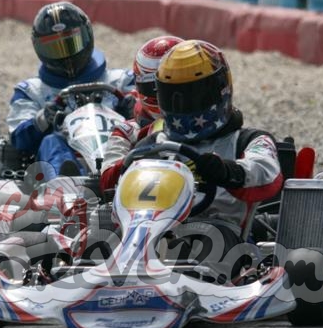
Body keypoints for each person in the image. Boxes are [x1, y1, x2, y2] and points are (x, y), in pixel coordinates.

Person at [101, 40, 284, 265]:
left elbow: (267, 174)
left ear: (220, 90)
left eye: (193, 95)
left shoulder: (246, 140)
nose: (183, 105)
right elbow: (114, 186)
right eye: (173, 96)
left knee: (209, 241)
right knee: (101, 236)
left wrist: (228, 171)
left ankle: (184, 279)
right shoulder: (153, 144)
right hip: (148, 228)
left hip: (218, 230)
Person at [7, 1, 136, 181]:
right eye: (53, 48)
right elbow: (18, 139)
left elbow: (154, 119)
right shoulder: (32, 91)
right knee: (51, 141)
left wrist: (132, 111)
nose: (65, 55)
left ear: (87, 36)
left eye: (72, 43)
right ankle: (66, 184)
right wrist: (42, 119)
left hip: (117, 153)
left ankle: (124, 178)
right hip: (63, 160)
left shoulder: (121, 81)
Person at [100, 34, 183, 192]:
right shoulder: (128, 131)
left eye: (178, 86)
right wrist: (142, 150)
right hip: (144, 200)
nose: (167, 94)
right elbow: (106, 182)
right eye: (158, 88)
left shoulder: (206, 125)